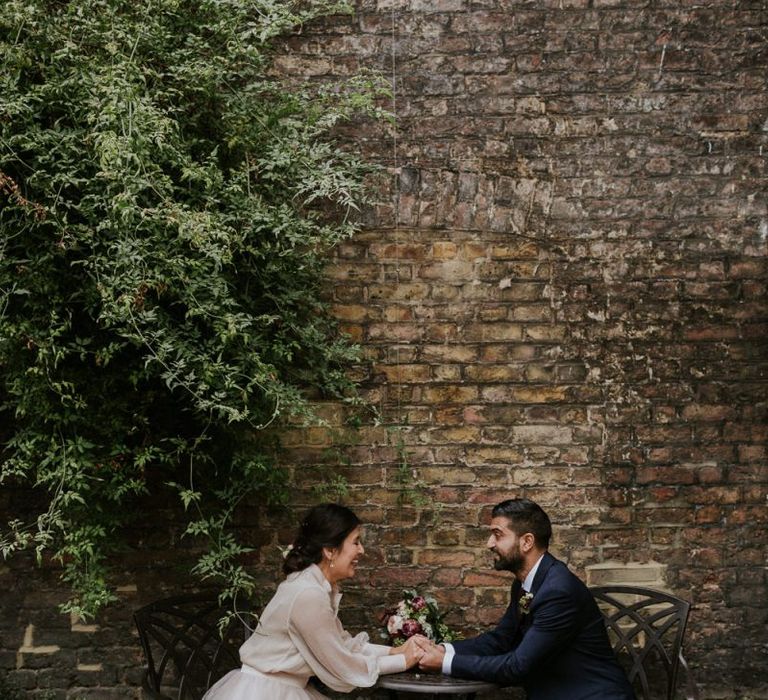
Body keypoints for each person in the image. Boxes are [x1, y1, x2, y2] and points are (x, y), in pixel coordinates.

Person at [417, 498, 635, 700]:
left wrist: (445, 663)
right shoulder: (526, 583)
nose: (489, 543)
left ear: (527, 542)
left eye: (498, 534)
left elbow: (517, 666)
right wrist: (444, 650)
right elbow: (501, 640)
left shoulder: (558, 591)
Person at [203, 503, 424, 699]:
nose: (361, 550)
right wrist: (403, 661)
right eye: (356, 542)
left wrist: (392, 652)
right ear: (330, 550)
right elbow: (342, 666)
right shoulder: (308, 594)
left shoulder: (313, 585)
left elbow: (342, 644)